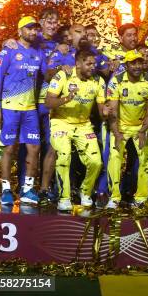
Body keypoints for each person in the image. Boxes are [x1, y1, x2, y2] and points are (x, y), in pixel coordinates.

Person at [0, 16, 45, 205]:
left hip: (30, 109)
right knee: (9, 148)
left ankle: (27, 190)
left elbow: (48, 74)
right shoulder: (9, 51)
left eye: (35, 29)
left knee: (34, 148)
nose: (33, 32)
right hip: (9, 109)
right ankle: (6, 190)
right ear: (20, 30)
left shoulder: (39, 53)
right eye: (29, 28)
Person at [45, 49, 106, 211]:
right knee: (64, 156)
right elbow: (48, 103)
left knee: (96, 161)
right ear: (78, 64)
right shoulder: (63, 76)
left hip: (83, 124)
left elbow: (101, 110)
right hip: (61, 122)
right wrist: (67, 99)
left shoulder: (98, 81)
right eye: (89, 64)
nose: (93, 67)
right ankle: (64, 198)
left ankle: (85, 192)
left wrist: (106, 112)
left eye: (94, 63)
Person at [106, 50, 148, 208]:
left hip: (140, 126)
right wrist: (116, 133)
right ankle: (114, 197)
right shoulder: (116, 80)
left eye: (139, 62)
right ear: (126, 65)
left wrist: (143, 131)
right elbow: (113, 111)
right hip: (120, 126)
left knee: (145, 158)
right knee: (115, 158)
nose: (137, 66)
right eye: (132, 63)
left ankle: (141, 198)